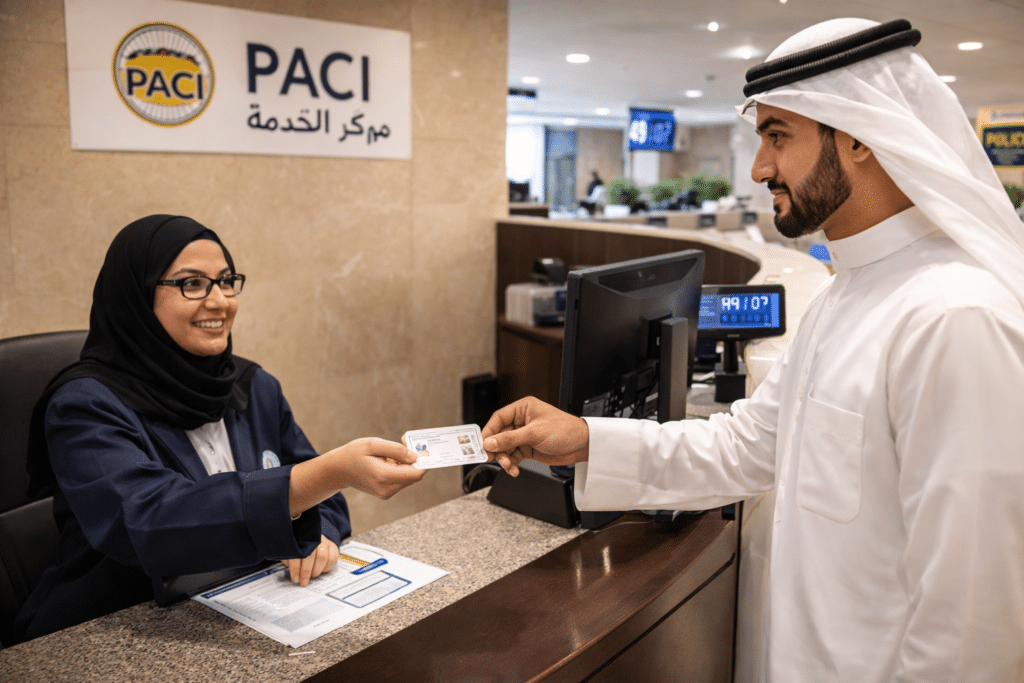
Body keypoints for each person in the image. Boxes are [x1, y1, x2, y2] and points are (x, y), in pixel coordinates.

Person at [482, 18, 1024, 683]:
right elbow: (745, 448)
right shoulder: (842, 295)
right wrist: (588, 437)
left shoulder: (954, 318)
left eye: (777, 136)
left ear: (857, 135)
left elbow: (975, 629)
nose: (759, 167)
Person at [12, 215, 425, 643]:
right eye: (192, 284)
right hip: (115, 630)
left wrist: (321, 532)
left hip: (247, 609)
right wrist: (325, 476)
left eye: (226, 281)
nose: (220, 301)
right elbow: (151, 521)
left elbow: (324, 497)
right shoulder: (85, 406)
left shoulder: (252, 386)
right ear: (136, 296)